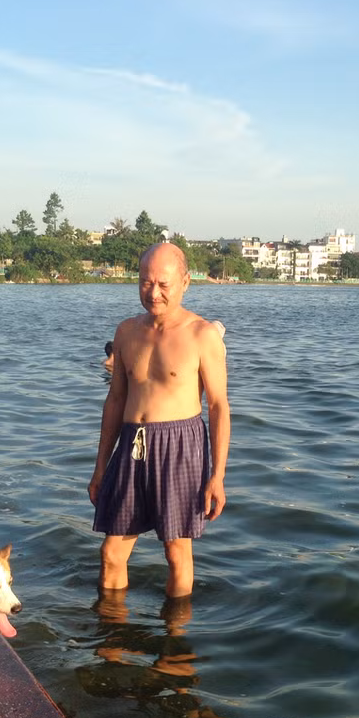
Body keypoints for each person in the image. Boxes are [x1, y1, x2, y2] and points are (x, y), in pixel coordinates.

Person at [88, 242, 230, 598]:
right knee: (111, 554)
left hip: (180, 445)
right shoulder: (125, 332)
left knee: (176, 552)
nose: (154, 293)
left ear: (185, 282)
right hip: (131, 443)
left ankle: (174, 644)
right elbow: (115, 399)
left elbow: (217, 406)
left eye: (164, 285)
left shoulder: (202, 334)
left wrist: (217, 475)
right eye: (145, 283)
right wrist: (100, 467)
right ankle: (113, 642)